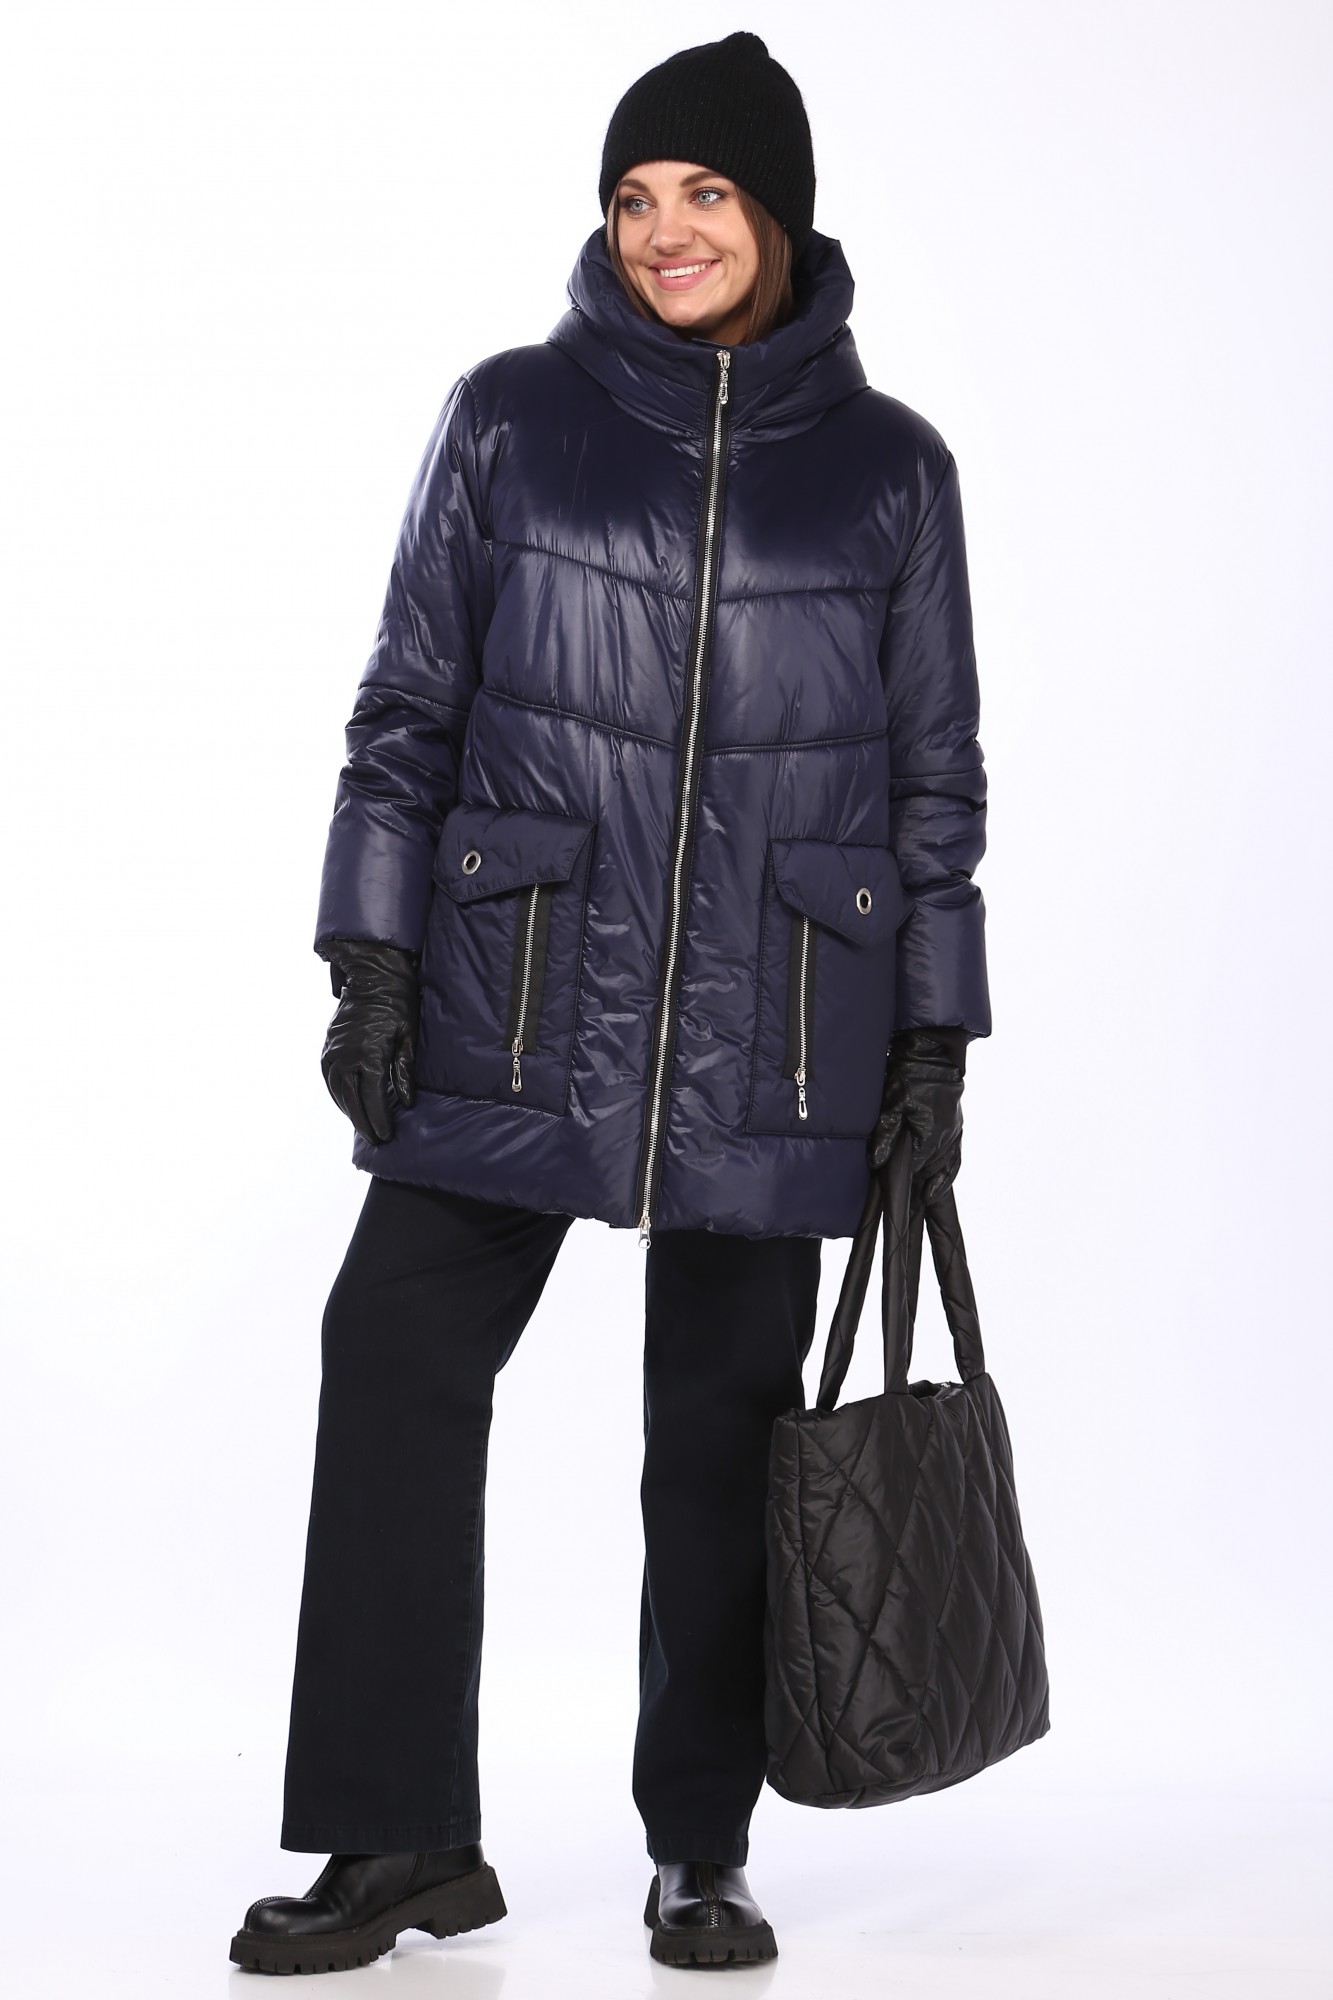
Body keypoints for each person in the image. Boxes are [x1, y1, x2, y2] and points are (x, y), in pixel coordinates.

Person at [229, 29, 989, 1977]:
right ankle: (400, 1835)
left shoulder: (893, 473)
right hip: (518, 986)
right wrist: (370, 956)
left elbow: (934, 786)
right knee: (391, 1349)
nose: (664, 233)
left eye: (704, 194)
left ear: (778, 217)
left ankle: (700, 1849)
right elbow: (404, 710)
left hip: (782, 1018)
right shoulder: (509, 418)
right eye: (635, 198)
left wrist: (929, 1040)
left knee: (721, 1431)